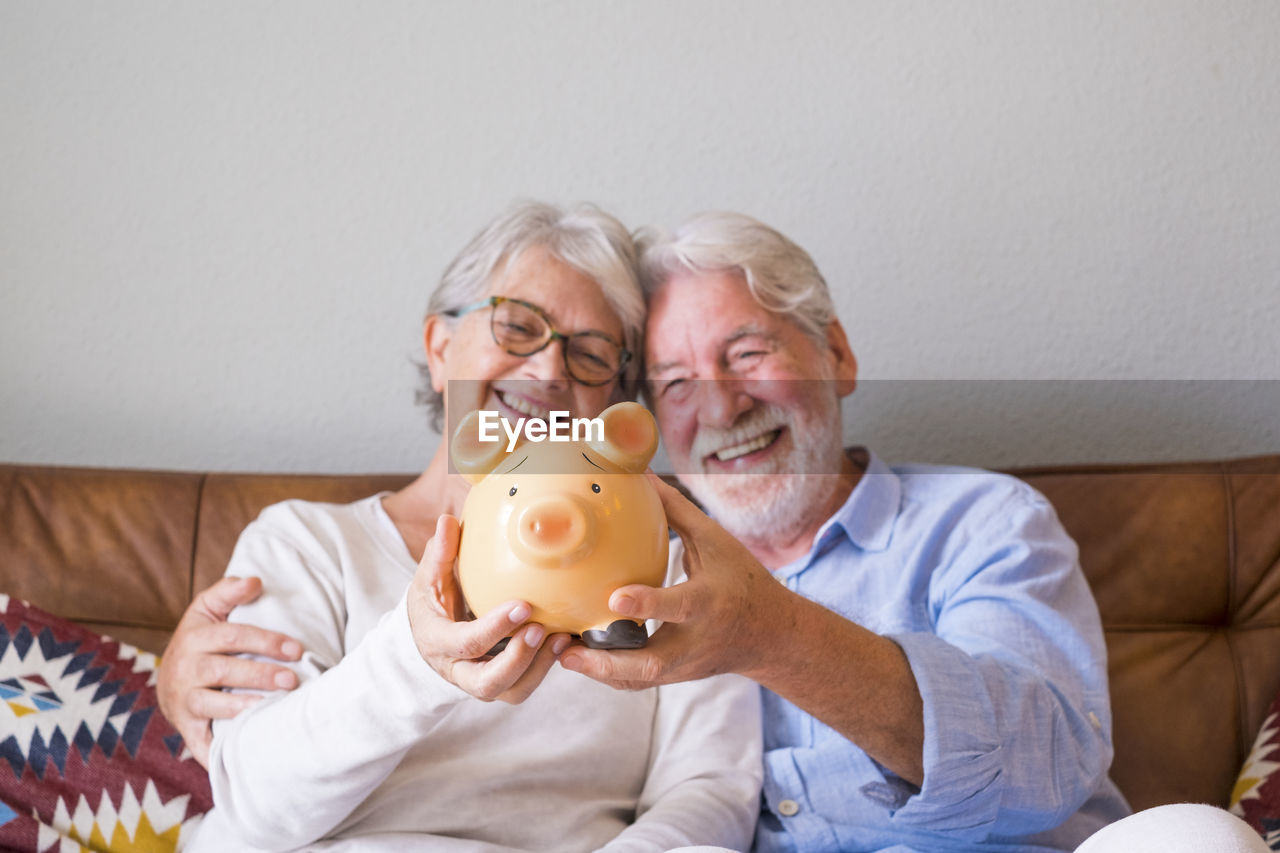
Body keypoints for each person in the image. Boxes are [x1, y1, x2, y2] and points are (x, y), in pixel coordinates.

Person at [169, 201, 762, 852]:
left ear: (613, 407)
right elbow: (257, 801)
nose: (549, 371)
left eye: (592, 355)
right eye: (516, 326)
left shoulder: (671, 576)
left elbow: (710, 788)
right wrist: (416, 662)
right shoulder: (306, 543)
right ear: (440, 347)